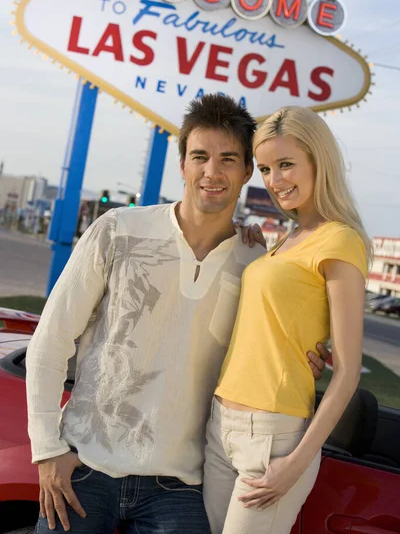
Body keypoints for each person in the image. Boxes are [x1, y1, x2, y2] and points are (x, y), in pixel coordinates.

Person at [26, 95, 328, 534]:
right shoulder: (117, 231)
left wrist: (307, 356)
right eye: (200, 157)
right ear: (182, 164)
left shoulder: (256, 263)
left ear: (247, 171)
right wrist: (47, 450)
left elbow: (272, 348)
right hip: (85, 468)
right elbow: (50, 342)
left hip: (180, 486)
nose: (212, 171)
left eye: (228, 159)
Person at [203, 106, 371, 534]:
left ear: (318, 160)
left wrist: (295, 463)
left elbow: (348, 373)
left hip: (275, 438)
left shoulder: (340, 239)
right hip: (223, 424)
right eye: (265, 168)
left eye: (286, 165)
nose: (275, 181)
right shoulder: (288, 238)